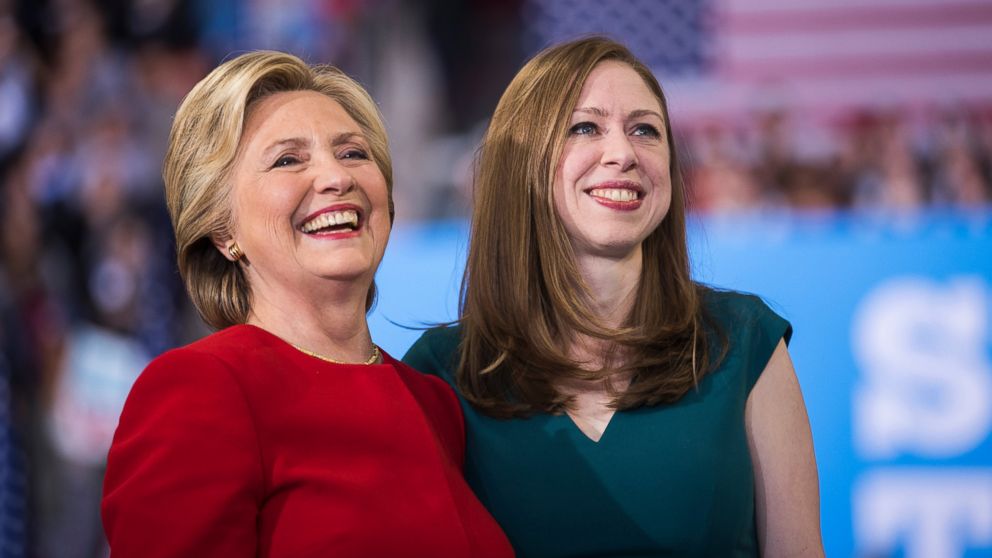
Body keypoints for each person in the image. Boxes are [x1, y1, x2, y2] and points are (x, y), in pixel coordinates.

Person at [403, 37, 824, 557]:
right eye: (585, 127)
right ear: (522, 162)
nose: (623, 153)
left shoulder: (743, 342)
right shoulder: (442, 373)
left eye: (645, 130)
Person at [101, 51, 514, 558]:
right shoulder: (201, 390)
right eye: (288, 160)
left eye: (353, 153)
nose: (336, 177)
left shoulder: (436, 404)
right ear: (222, 229)